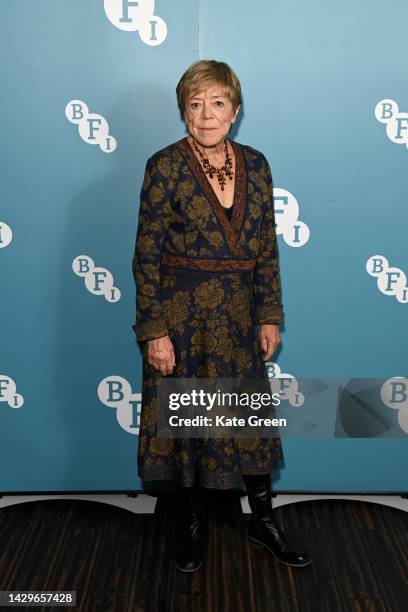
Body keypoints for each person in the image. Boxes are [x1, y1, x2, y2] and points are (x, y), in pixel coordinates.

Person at [131, 60, 311, 571]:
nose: (206, 115)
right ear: (183, 111)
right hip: (182, 321)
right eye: (194, 104)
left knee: (247, 422)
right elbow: (145, 256)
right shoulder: (163, 166)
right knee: (187, 424)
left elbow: (266, 248)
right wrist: (155, 331)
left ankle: (264, 521)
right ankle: (188, 524)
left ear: (234, 110)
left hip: (238, 317)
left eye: (217, 103)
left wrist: (269, 313)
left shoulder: (256, 164)